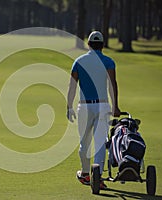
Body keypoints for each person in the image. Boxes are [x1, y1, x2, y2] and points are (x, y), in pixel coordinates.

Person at [67, 31, 121, 189]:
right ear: (102, 45)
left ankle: (85, 174)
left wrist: (69, 105)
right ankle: (98, 178)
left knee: (84, 143)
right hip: (103, 105)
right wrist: (115, 105)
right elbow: (113, 84)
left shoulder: (78, 61)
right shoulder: (108, 61)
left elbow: (72, 86)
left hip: (84, 106)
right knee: (99, 144)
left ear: (88, 44)